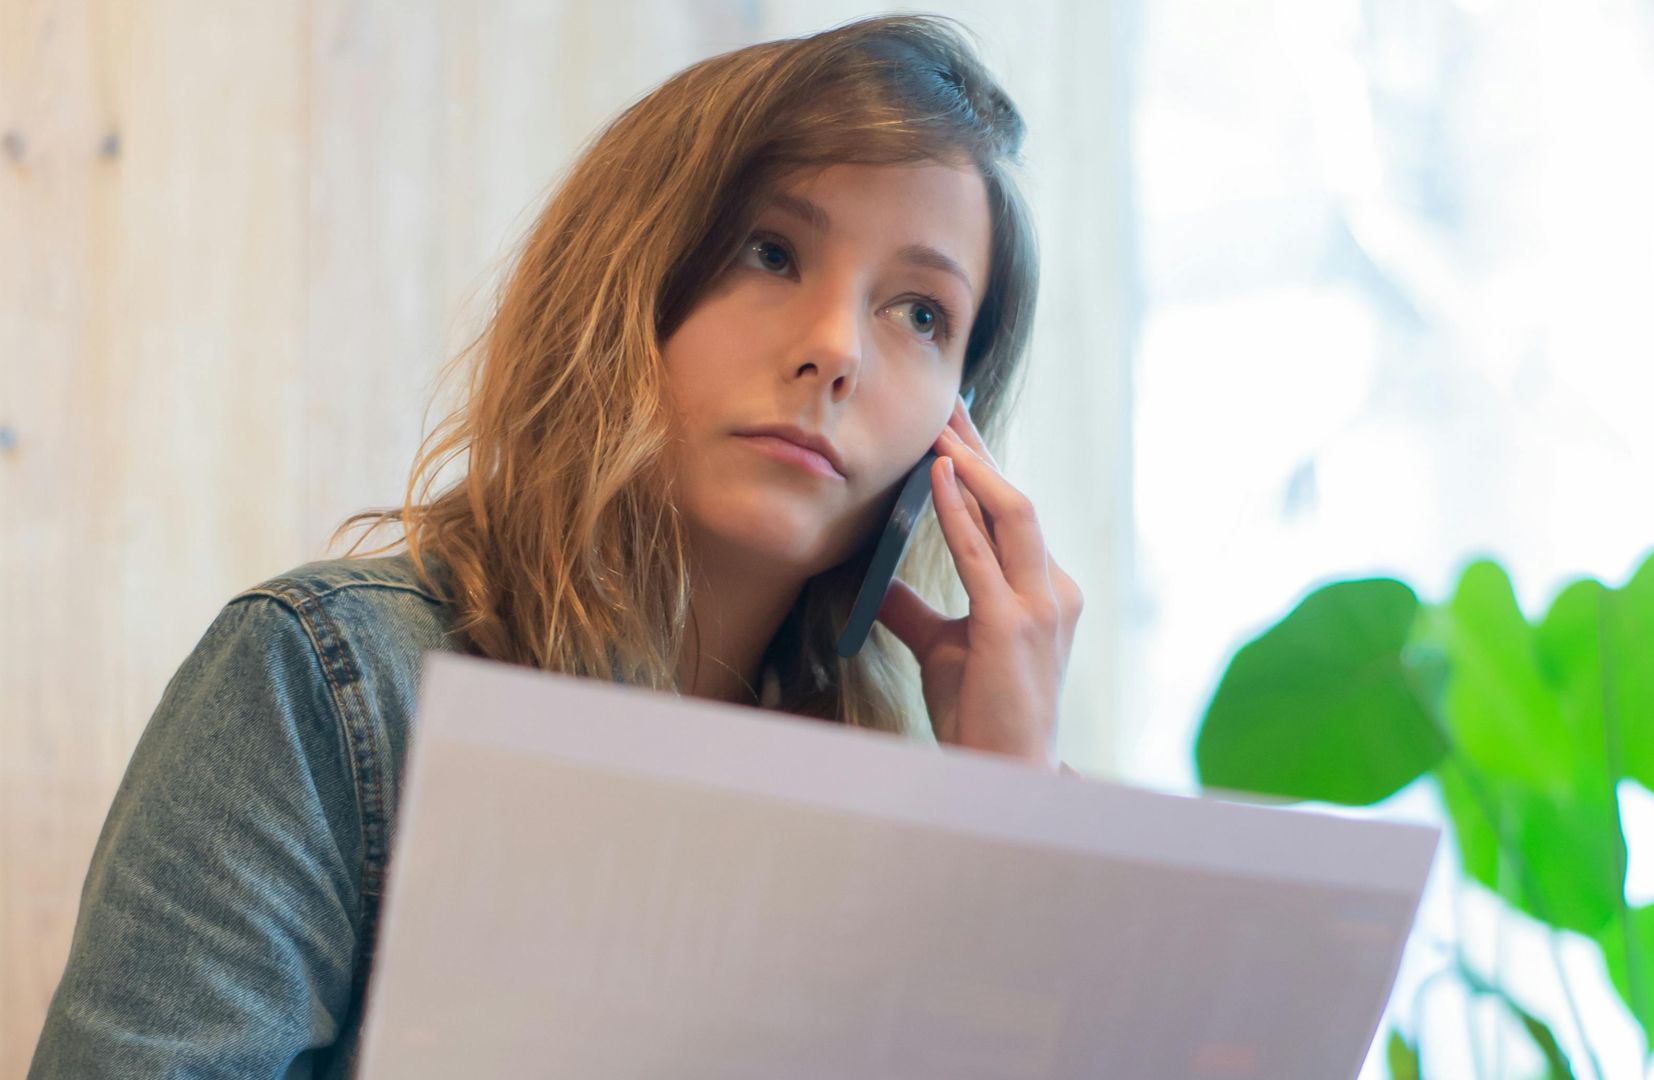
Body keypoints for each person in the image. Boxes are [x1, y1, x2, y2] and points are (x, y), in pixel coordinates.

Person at [28, 14, 1082, 1077]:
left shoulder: (904, 809)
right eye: (771, 252)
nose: (835, 351)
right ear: (626, 285)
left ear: (958, 433)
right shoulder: (327, 681)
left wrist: (1013, 806)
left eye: (921, 312)